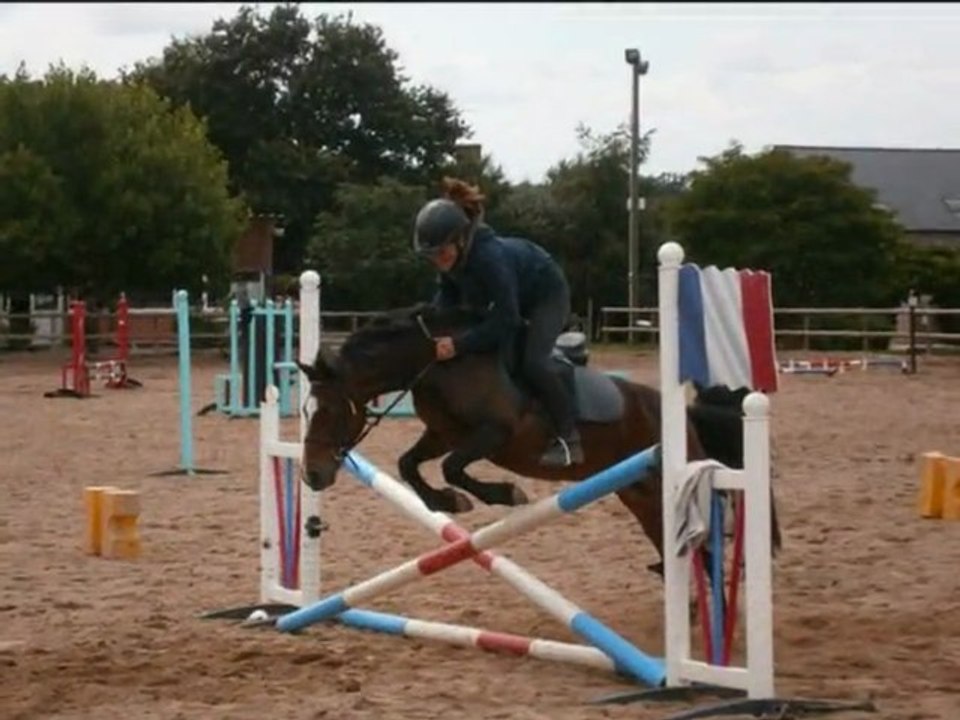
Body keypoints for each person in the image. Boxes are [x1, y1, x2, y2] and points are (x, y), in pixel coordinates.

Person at [411, 177, 584, 468]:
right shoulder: (454, 260)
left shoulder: (489, 259)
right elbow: (445, 305)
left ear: (460, 239)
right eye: (431, 256)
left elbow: (507, 318)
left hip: (545, 295)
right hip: (513, 298)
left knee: (533, 362)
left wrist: (458, 344)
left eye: (441, 253)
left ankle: (569, 438)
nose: (438, 261)